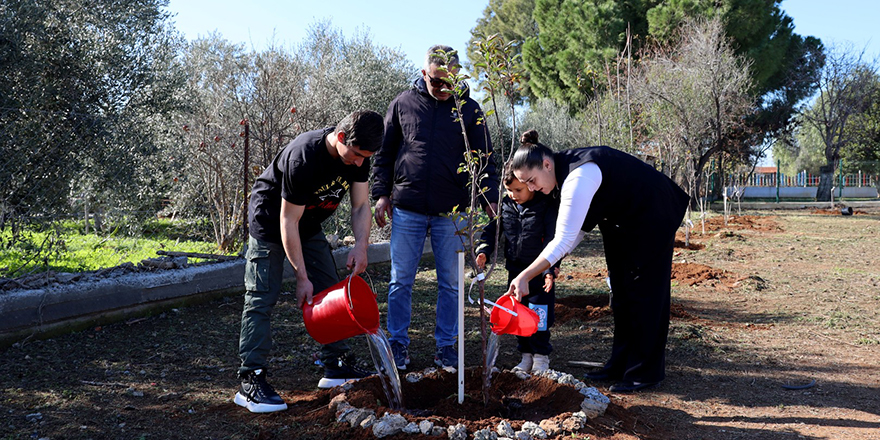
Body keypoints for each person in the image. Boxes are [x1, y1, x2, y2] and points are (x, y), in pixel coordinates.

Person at [504, 130, 688, 393]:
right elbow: (575, 232)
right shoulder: (561, 176)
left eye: (531, 181)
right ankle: (620, 363)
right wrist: (553, 263)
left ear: (546, 164)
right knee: (622, 291)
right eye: (526, 184)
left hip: (651, 215)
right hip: (620, 222)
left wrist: (525, 275)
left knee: (646, 294)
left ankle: (645, 372)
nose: (532, 189)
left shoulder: (578, 175)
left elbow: (565, 238)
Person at [235, 110, 384, 413]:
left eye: (364, 157)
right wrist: (301, 276)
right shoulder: (304, 157)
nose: (359, 162)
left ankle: (336, 365)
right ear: (341, 138)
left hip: (308, 223)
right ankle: (250, 379)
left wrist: (361, 245)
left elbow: (359, 206)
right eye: (356, 155)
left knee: (332, 289)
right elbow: (287, 221)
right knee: (262, 296)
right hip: (270, 222)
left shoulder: (358, 154)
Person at [372, 45, 499, 370]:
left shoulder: (470, 110)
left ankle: (446, 348)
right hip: (407, 207)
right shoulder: (403, 103)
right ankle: (398, 345)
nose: (443, 88)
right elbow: (385, 153)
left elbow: (484, 158)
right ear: (425, 73)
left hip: (453, 212)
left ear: (457, 76)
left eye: (449, 82)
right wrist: (381, 194)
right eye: (437, 81)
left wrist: (489, 196)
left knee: (452, 283)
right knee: (401, 279)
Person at [475, 158, 561, 374]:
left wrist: (551, 269)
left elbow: (554, 239)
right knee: (518, 313)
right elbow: (492, 231)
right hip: (515, 271)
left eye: (518, 189)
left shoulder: (546, 206)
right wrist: (483, 250)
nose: (513, 194)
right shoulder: (505, 206)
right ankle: (525, 356)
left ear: (530, 184)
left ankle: (541, 356)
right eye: (509, 190)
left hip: (539, 272)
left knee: (539, 314)